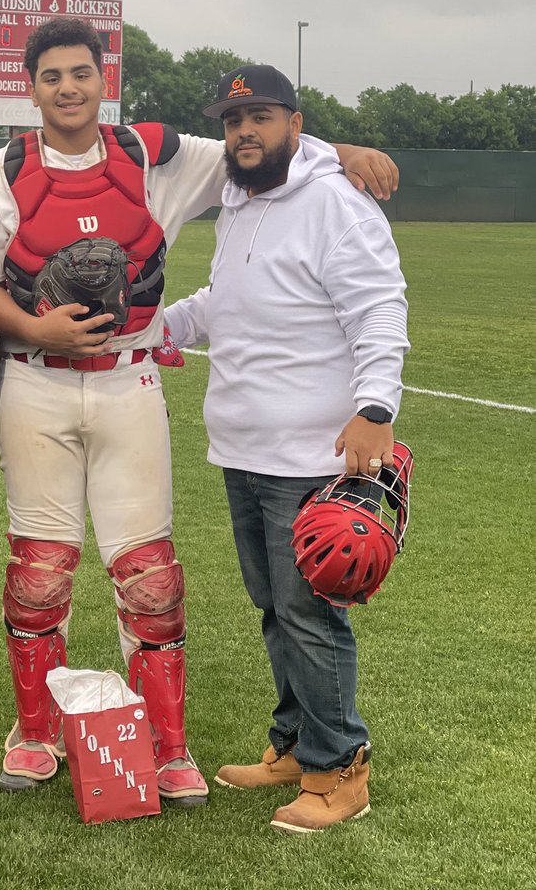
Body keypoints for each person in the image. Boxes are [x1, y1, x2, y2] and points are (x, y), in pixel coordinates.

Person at [0, 19, 398, 807]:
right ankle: (31, 733)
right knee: (39, 574)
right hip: (38, 379)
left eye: (81, 74)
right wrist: (33, 327)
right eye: (52, 76)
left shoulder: (151, 156)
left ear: (103, 80)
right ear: (32, 88)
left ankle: (169, 747)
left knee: (151, 580)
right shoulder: (0, 170)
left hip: (131, 383)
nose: (68, 88)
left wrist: (344, 153)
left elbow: (264, 143)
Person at [165, 64, 409, 832]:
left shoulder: (336, 201)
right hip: (243, 445)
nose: (244, 131)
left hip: (311, 452)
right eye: (233, 120)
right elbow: (230, 296)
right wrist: (163, 328)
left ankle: (342, 769)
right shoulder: (238, 198)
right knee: (276, 609)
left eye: (261, 116)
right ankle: (297, 745)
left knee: (310, 618)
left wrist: (376, 409)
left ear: (295, 125)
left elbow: (378, 306)